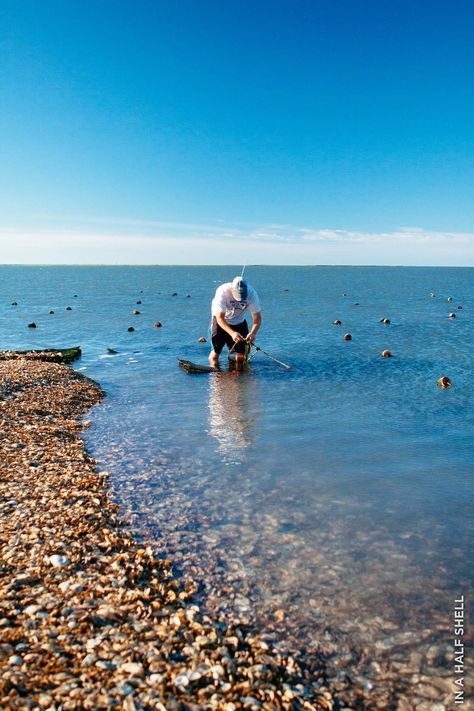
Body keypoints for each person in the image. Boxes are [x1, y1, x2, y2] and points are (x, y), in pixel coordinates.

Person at [209, 276, 262, 367]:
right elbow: (220, 318)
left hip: (239, 321)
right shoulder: (222, 291)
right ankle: (215, 376)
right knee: (215, 354)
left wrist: (253, 333)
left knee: (241, 355)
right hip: (221, 321)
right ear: (232, 289)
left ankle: (238, 378)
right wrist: (232, 333)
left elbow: (257, 318)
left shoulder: (252, 294)